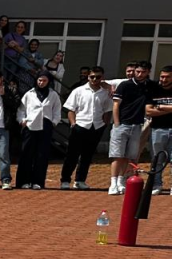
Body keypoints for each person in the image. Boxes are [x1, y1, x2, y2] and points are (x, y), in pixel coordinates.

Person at [60, 67, 110, 189]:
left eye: (98, 77)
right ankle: (65, 180)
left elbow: (107, 111)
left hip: (96, 126)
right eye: (92, 76)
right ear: (88, 77)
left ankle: (80, 180)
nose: (94, 79)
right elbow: (71, 109)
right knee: (72, 155)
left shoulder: (105, 93)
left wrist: (104, 125)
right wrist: (73, 124)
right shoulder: (78, 91)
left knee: (87, 155)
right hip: (80, 126)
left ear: (102, 77)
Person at [110, 61, 153, 194]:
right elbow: (116, 105)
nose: (139, 74)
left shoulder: (150, 86)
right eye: (137, 71)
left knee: (129, 156)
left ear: (148, 72)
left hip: (137, 125)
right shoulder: (125, 85)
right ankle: (113, 182)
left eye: (143, 72)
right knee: (117, 155)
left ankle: (121, 180)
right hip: (122, 124)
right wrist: (117, 124)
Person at [15, 72, 62, 190]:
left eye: (44, 81)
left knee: (42, 155)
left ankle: (38, 182)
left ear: (49, 82)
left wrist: (54, 122)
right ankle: (23, 181)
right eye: (39, 80)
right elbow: (21, 109)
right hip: (30, 126)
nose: (41, 83)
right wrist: (22, 121)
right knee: (26, 154)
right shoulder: (29, 94)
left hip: (46, 126)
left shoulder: (53, 95)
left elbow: (57, 110)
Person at [148, 66, 172, 194]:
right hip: (158, 129)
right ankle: (156, 185)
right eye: (162, 76)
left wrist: (161, 107)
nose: (163, 79)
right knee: (157, 159)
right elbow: (148, 111)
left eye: (167, 77)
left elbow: (155, 109)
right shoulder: (154, 90)